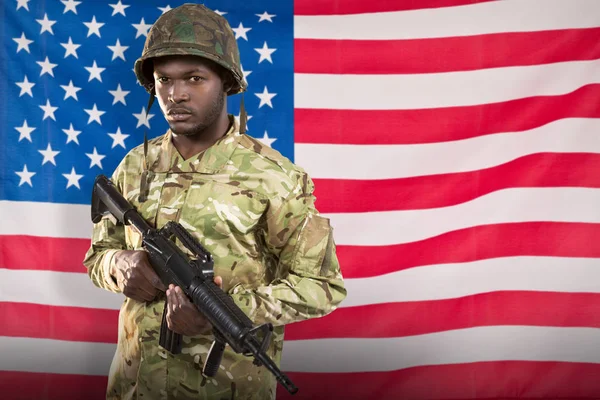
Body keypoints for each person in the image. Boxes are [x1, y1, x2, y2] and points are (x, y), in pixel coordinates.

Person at [82, 4, 347, 400]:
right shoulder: (135, 165)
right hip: (134, 386)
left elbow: (322, 286)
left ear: (226, 82)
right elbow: (97, 256)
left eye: (194, 78)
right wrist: (120, 265)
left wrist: (224, 311)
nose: (176, 94)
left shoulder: (274, 177)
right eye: (164, 80)